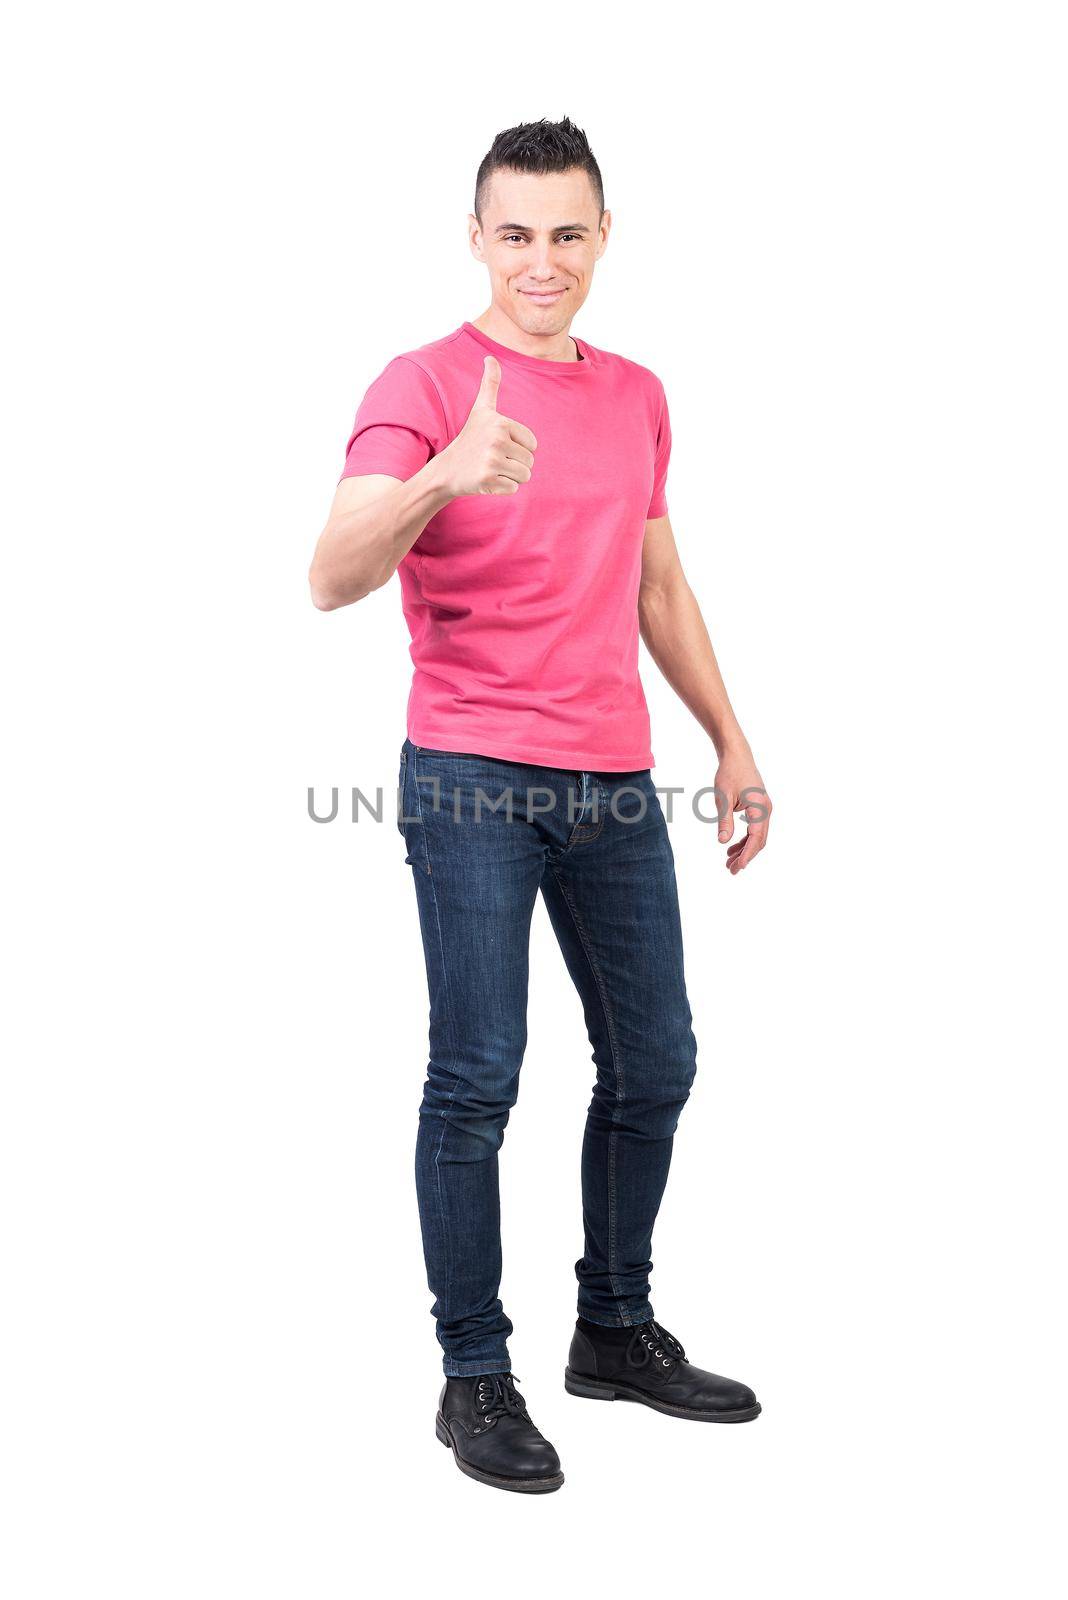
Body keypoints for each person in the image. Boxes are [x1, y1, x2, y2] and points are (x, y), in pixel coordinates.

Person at [309, 118, 772, 1495]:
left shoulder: (636, 393)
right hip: (469, 774)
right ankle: (473, 1374)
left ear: (602, 238)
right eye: (515, 233)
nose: (542, 260)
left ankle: (615, 1330)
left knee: (657, 1064)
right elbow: (328, 571)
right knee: (479, 1077)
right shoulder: (424, 382)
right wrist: (445, 474)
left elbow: (658, 586)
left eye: (567, 233)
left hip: (614, 778)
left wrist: (733, 743)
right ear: (476, 238)